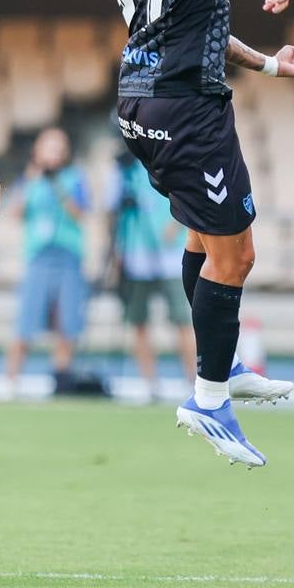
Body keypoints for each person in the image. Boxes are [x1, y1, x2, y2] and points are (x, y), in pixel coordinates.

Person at [111, 0, 294, 467]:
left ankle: (221, 362)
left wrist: (268, 65)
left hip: (139, 103)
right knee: (237, 257)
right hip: (188, 110)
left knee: (203, 241)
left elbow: (186, 29)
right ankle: (208, 398)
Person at [3, 127, 90, 398]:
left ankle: (60, 378)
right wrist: (33, 178)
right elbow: (15, 213)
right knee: (26, 321)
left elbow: (79, 213)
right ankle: (10, 381)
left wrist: (57, 185)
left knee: (67, 323)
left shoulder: (74, 178)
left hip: (67, 256)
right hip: (39, 257)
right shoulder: (29, 179)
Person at [109, 150, 196, 404]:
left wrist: (176, 224)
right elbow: (112, 208)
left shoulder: (172, 156)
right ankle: (150, 383)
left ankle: (194, 381)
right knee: (139, 322)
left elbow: (189, 196)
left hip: (171, 256)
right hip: (135, 255)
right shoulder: (121, 169)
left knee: (183, 320)